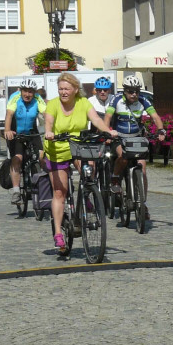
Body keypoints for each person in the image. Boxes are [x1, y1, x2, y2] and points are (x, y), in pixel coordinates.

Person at [44, 73, 117, 252]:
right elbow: (49, 120)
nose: (63, 92)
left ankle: (86, 193)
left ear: (75, 89)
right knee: (60, 192)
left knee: (89, 168)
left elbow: (96, 119)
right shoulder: (53, 104)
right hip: (57, 148)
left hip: (77, 146)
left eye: (66, 89)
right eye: (60, 89)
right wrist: (48, 132)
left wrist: (108, 131)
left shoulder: (83, 103)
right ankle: (58, 234)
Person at [106, 75, 165, 218]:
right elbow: (107, 118)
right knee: (123, 157)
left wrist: (161, 130)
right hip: (119, 137)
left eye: (137, 91)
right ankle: (115, 177)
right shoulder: (116, 100)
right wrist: (107, 132)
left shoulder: (143, 101)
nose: (134, 94)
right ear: (125, 91)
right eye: (131, 91)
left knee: (142, 169)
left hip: (137, 137)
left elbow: (155, 117)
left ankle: (142, 203)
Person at [3, 79, 46, 205]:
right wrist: (7, 130)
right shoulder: (15, 98)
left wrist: (52, 129)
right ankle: (16, 191)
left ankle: (46, 185)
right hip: (16, 131)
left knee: (42, 156)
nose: (28, 94)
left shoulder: (38, 99)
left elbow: (47, 114)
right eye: (25, 91)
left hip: (32, 131)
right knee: (18, 158)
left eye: (31, 92)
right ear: (21, 91)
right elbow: (9, 114)